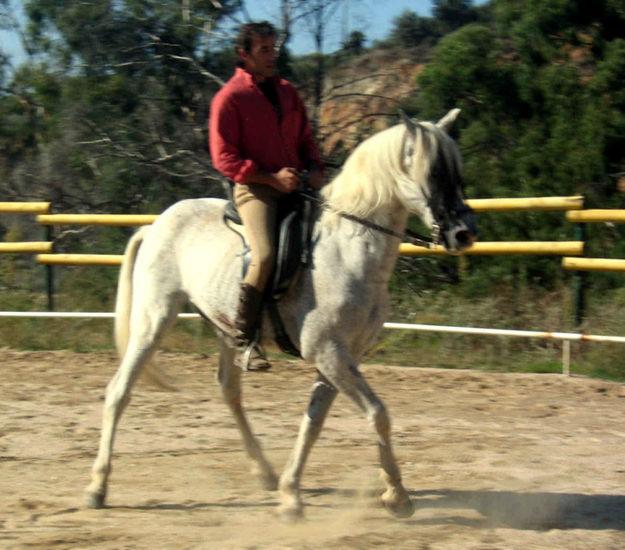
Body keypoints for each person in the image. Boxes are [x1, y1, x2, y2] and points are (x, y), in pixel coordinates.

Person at [209, 21, 324, 371]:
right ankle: (245, 340)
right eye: (264, 50)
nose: (272, 56)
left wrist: (315, 167)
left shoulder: (288, 92)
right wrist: (271, 179)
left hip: (296, 183)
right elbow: (224, 158)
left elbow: (305, 139)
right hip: (256, 189)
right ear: (244, 54)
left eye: (273, 49)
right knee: (265, 255)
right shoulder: (229, 98)